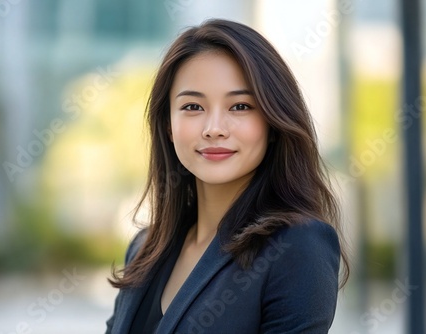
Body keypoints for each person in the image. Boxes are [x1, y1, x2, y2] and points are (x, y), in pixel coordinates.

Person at [105, 18, 349, 334]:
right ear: (168, 124)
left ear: (273, 122)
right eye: (193, 106)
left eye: (240, 106)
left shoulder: (297, 245)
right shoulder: (144, 248)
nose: (214, 128)